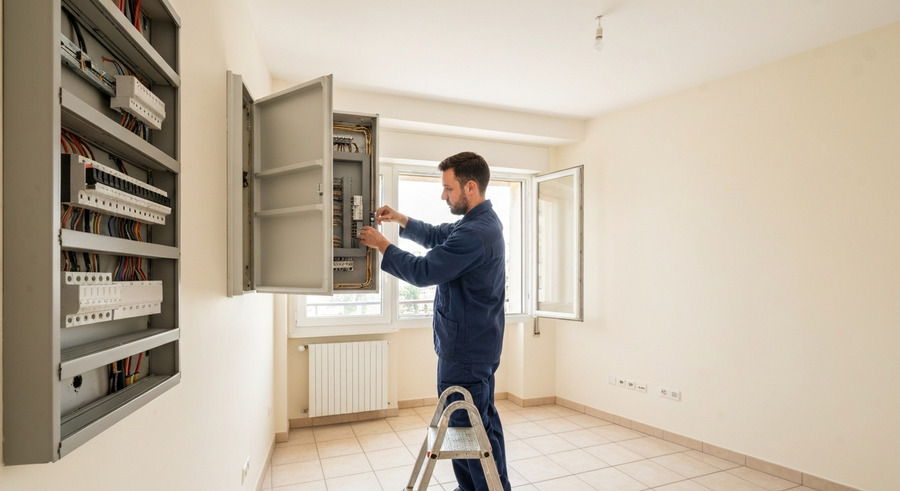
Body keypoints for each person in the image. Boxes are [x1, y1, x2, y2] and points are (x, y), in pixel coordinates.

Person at [358, 151, 511, 491]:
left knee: (463, 427)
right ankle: (487, 487)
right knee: (480, 423)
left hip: (466, 351)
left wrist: (382, 244)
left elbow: (424, 271)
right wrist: (400, 219)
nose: (444, 196)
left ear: (470, 187)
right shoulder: (479, 222)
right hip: (476, 345)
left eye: (448, 188)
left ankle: (479, 489)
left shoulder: (476, 233)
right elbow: (438, 234)